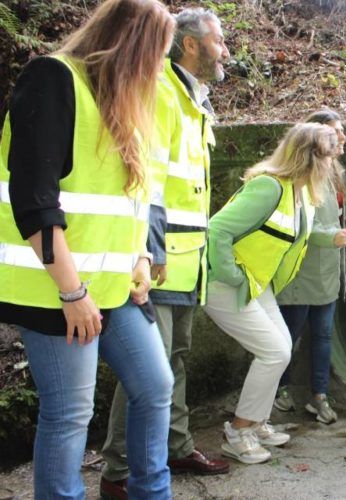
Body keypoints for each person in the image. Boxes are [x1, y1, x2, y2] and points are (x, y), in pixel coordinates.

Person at [0, 0, 175, 498]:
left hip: (114, 289)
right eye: (157, 55)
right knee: (70, 413)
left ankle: (151, 492)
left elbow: (130, 199)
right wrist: (72, 293)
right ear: (132, 44)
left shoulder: (123, 100)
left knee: (155, 387)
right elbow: (34, 200)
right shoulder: (54, 79)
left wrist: (140, 256)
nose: (158, 69)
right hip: (57, 288)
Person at [99, 7, 230, 497]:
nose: (225, 52)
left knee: (173, 360)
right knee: (146, 370)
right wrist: (150, 250)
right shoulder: (161, 92)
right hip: (161, 258)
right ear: (191, 44)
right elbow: (148, 182)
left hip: (186, 258)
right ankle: (119, 472)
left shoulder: (194, 99)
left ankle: (174, 446)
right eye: (218, 41)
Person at [203, 122, 346, 464]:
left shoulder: (300, 192)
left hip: (256, 283)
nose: (333, 163)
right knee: (274, 351)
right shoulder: (268, 187)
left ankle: (256, 422)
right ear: (309, 158)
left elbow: (299, 233)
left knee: (282, 348)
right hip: (228, 284)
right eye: (329, 156)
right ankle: (238, 432)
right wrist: (233, 276)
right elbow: (216, 230)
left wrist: (332, 237)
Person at [273, 109, 346, 424]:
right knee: (287, 337)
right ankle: (277, 389)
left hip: (327, 270)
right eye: (334, 131)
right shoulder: (300, 178)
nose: (341, 136)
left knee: (323, 337)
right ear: (315, 140)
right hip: (301, 272)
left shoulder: (331, 172)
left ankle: (319, 396)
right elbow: (299, 226)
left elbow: (334, 207)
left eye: (340, 130)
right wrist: (333, 237)